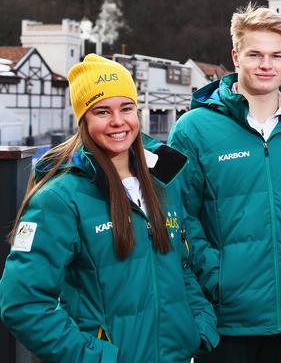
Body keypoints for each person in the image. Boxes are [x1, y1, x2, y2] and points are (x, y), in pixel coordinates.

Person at [0, 54, 219, 362]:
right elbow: (23, 304)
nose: (118, 121)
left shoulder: (163, 183)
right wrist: (97, 357)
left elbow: (179, 267)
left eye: (126, 108)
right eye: (102, 111)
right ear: (84, 120)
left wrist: (197, 323)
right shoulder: (59, 198)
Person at [167, 3, 281, 363]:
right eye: (255, 54)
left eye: (276, 55)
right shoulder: (193, 129)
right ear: (236, 56)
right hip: (226, 319)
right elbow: (177, 215)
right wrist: (217, 277)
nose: (266, 64)